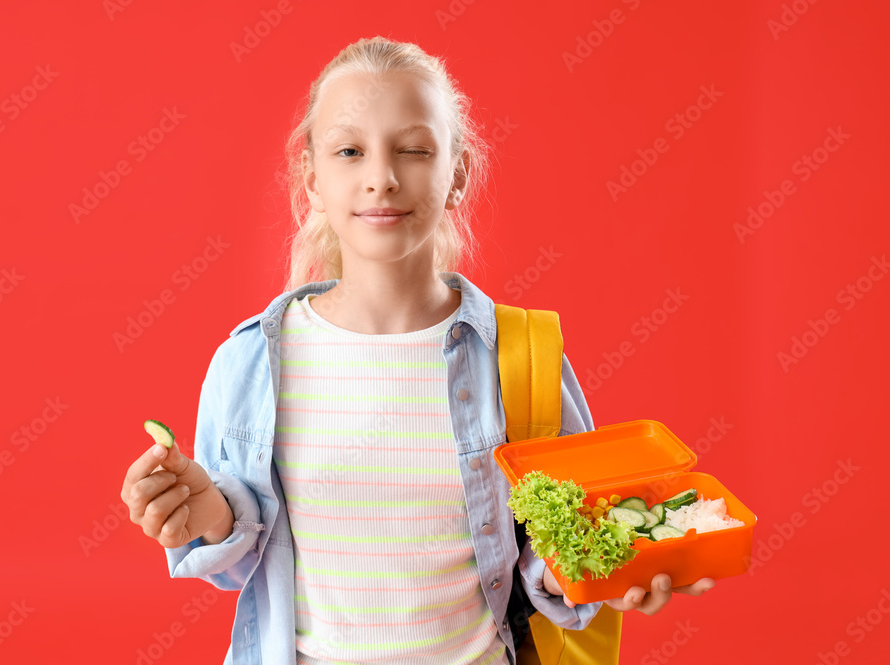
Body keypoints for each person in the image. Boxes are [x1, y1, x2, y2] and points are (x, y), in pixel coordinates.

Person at [121, 36, 715, 665]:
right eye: (350, 151)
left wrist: (607, 567)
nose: (381, 177)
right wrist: (205, 513)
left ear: (456, 174)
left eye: (413, 150)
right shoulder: (250, 364)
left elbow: (555, 548)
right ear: (312, 177)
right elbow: (242, 561)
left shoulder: (521, 357)